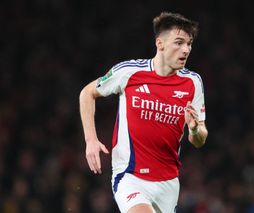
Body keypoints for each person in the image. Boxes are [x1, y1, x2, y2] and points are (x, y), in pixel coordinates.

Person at [79, 12, 208, 213]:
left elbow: (200, 139)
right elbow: (87, 93)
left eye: (189, 44)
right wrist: (91, 140)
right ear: (160, 44)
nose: (186, 49)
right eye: (179, 42)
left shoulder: (193, 83)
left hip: (168, 182)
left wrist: (193, 129)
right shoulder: (130, 72)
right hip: (130, 176)